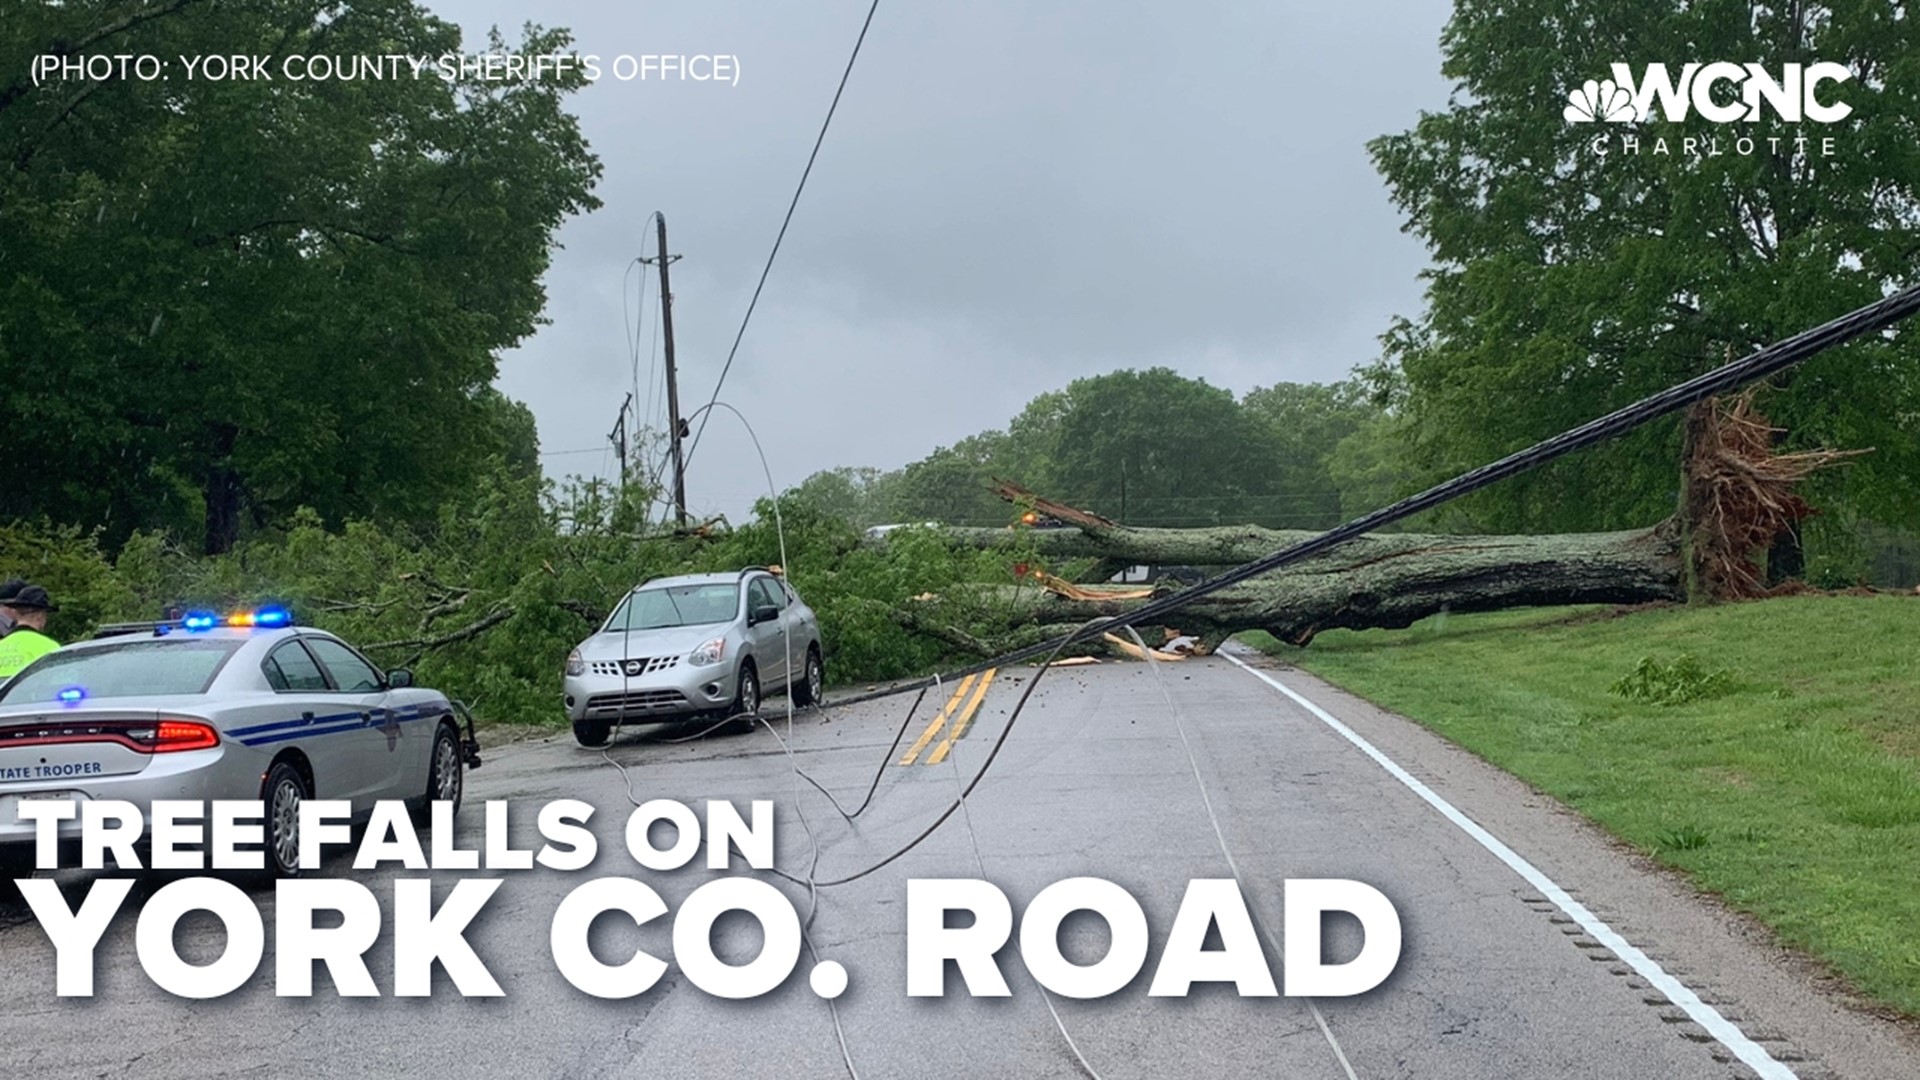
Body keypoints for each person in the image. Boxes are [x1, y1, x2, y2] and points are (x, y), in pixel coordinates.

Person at [0, 584, 61, 678]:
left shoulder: (1, 645)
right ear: (40, 616)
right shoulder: (49, 647)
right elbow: (59, 681)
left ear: (16, 613)